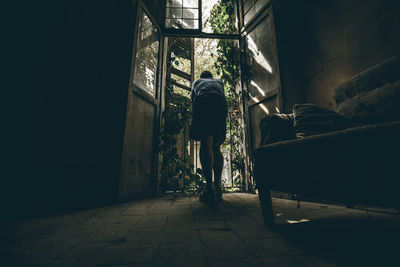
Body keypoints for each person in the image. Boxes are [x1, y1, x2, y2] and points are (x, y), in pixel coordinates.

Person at [190, 70, 227, 204]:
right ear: (211, 77)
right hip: (220, 102)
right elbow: (222, 95)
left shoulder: (196, 82)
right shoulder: (219, 82)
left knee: (206, 141)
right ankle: (218, 188)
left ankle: (209, 190)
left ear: (202, 77)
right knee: (216, 145)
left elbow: (193, 99)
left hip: (203, 100)